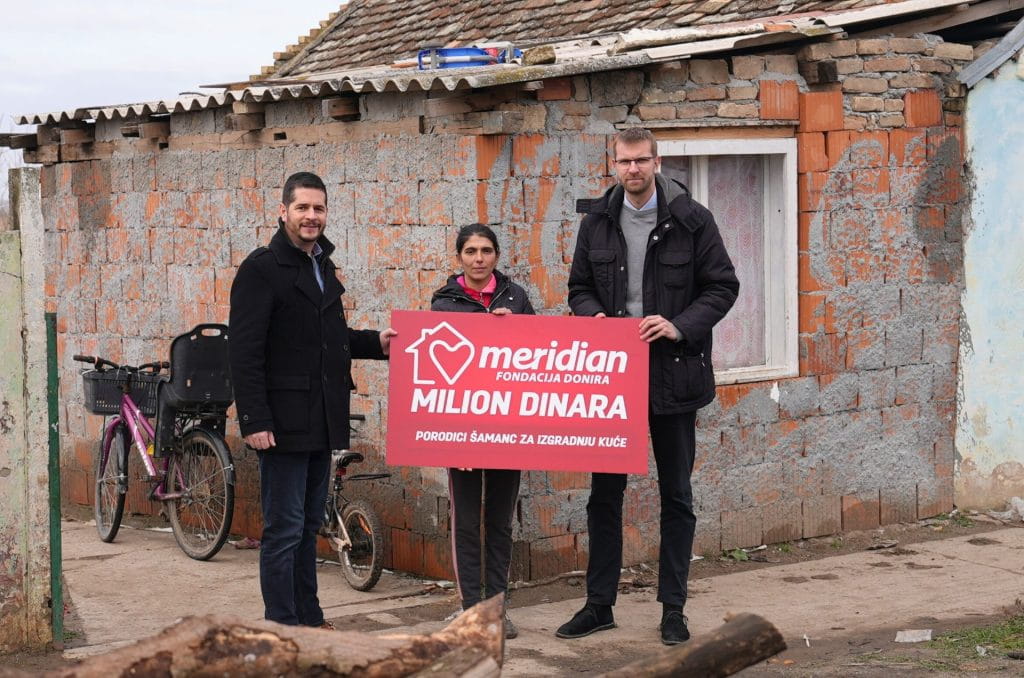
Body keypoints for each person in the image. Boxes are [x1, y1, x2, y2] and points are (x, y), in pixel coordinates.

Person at [556, 128, 739, 645]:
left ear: (657, 162)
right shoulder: (597, 221)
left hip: (674, 376)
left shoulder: (692, 219)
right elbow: (579, 287)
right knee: (603, 496)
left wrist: (679, 325)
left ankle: (673, 610)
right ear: (613, 165)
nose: (632, 169)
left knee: (676, 496)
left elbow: (723, 286)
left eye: (641, 160)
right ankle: (599, 605)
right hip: (614, 379)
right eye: (624, 161)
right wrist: (594, 318)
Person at [228, 171, 396, 627]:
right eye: (302, 207)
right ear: (282, 211)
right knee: (283, 530)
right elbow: (244, 351)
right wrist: (254, 419)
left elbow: (329, 337)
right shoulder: (261, 268)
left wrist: (376, 343)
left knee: (306, 527)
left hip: (321, 417)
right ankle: (283, 627)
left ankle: (310, 617)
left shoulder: (321, 264)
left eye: (318, 208)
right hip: (281, 422)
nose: (311, 216)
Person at [430, 223, 536, 639]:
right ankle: (471, 610)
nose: (479, 258)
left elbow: (539, 354)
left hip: (508, 427)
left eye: (486, 251)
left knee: (500, 521)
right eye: (471, 251)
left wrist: (515, 327)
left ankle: (497, 608)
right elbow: (435, 368)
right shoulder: (444, 302)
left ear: (496, 255)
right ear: (459, 257)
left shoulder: (516, 297)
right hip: (463, 429)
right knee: (466, 522)